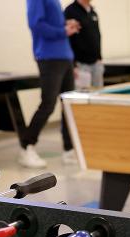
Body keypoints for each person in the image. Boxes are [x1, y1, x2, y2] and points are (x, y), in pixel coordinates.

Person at [19, 0, 80, 168]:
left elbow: (52, 24)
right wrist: (63, 31)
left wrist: (65, 25)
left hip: (65, 57)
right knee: (48, 104)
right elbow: (36, 25)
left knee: (68, 105)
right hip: (49, 57)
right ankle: (26, 147)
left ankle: (69, 150)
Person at [65, 0, 104, 89]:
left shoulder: (93, 12)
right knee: (81, 97)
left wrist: (99, 58)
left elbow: (97, 35)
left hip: (96, 63)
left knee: (98, 95)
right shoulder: (70, 11)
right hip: (80, 64)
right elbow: (67, 39)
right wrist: (73, 65)